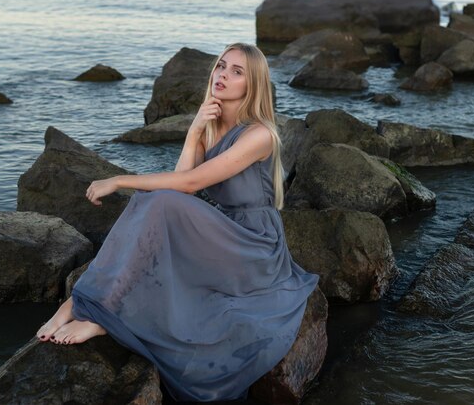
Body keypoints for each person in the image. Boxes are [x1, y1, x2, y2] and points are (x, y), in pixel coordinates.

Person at [36, 43, 320, 402]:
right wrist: (195, 130)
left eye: (237, 72)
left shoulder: (260, 134)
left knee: (155, 201)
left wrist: (120, 180)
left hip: (252, 245)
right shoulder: (213, 125)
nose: (222, 75)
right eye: (221, 66)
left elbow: (186, 185)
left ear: (253, 85)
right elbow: (184, 183)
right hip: (221, 230)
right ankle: (81, 305)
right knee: (157, 203)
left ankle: (99, 317)